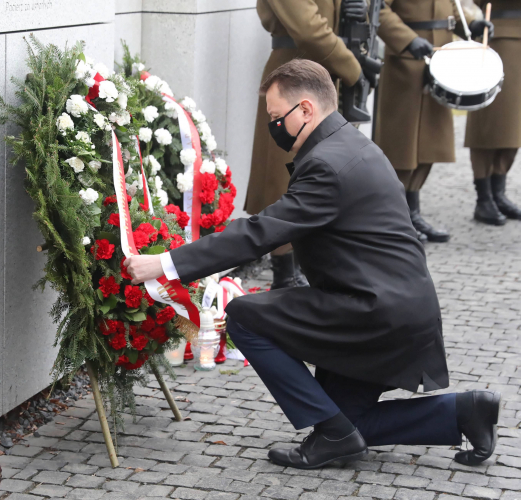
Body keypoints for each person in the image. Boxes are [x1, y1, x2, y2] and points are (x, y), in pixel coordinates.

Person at [126, 59, 500, 469]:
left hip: (374, 314)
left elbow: (261, 231)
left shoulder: (327, 164)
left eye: (276, 117)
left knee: (245, 316)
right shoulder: (349, 145)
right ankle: (464, 412)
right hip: (394, 307)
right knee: (348, 423)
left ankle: (335, 434)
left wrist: (165, 263)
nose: (273, 127)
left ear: (305, 109)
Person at [245, 0, 370, 288]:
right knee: (281, 180)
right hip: (294, 75)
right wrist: (352, 67)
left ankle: (306, 265)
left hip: (323, 72)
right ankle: (284, 273)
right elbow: (307, 27)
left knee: (321, 172)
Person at [375, 0, 493, 242]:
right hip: (405, 63)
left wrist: (471, 24)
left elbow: (450, 11)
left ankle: (412, 213)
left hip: (441, 63)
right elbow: (377, 10)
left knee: (429, 146)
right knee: (402, 148)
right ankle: (394, 218)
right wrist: (407, 39)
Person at [465, 0, 521, 225]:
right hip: (501, 36)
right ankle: (484, 196)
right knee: (490, 120)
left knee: (515, 124)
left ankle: (499, 192)